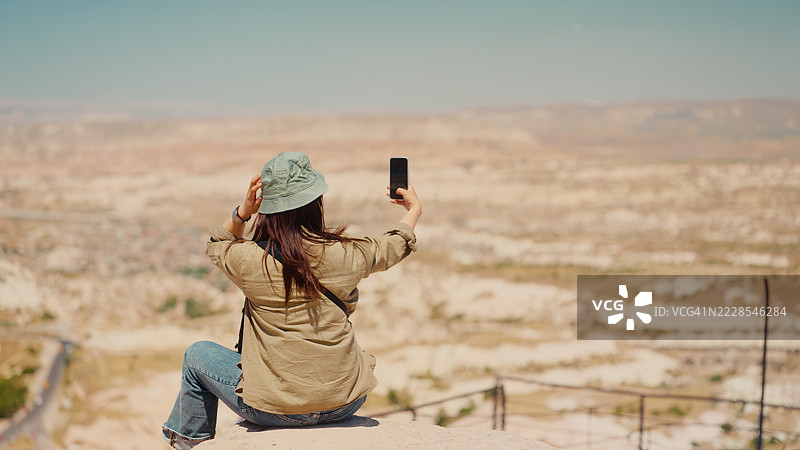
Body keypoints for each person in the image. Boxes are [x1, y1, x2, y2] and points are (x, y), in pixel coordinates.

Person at [162, 151, 421, 449]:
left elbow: (218, 243)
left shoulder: (248, 260)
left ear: (267, 209)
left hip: (272, 410)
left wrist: (243, 212)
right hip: (344, 402)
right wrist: (413, 210)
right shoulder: (347, 253)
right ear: (316, 204)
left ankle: (189, 443)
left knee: (197, 354)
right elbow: (395, 244)